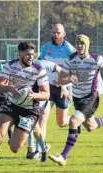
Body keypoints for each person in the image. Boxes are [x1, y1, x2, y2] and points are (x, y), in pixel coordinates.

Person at [48, 34, 103, 166]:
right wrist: (69, 78)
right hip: (77, 98)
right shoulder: (70, 59)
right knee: (91, 126)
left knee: (73, 121)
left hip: (91, 97)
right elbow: (60, 80)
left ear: (87, 45)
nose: (80, 46)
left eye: (82, 43)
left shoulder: (96, 59)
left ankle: (63, 156)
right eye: (78, 43)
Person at [0, 42, 50, 173]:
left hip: (29, 111)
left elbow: (46, 94)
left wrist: (33, 95)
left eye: (32, 54)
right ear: (20, 54)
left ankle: (44, 146)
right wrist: (10, 88)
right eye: (27, 55)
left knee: (15, 148)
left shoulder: (39, 69)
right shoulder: (10, 66)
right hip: (11, 105)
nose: (31, 57)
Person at [26, 23, 75, 159]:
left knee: (61, 123)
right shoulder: (46, 47)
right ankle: (39, 149)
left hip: (62, 89)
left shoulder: (70, 49)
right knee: (42, 116)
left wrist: (65, 86)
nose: (55, 35)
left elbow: (72, 70)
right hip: (48, 88)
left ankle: (76, 119)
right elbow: (39, 65)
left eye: (58, 32)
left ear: (64, 34)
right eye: (53, 32)